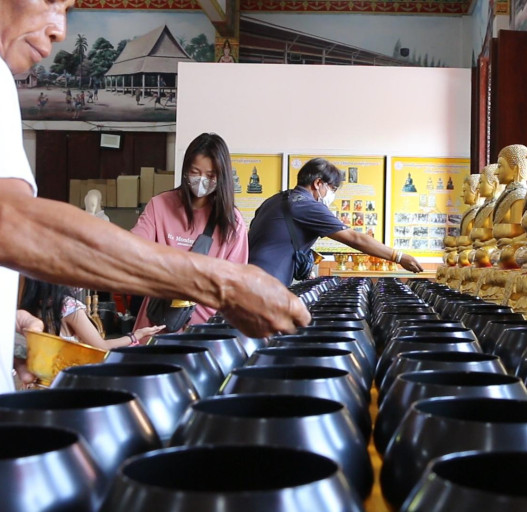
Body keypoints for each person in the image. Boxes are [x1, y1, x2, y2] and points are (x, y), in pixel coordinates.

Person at [0, 0, 309, 394]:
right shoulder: (163, 205)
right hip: (158, 334)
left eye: (67, 8)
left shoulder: (231, 222)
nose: (59, 29)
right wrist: (222, 283)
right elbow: (13, 223)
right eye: (50, 1)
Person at [131, 132, 249, 340]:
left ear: (222, 177)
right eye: (195, 172)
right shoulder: (159, 206)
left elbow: (235, 285)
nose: (202, 180)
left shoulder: (232, 222)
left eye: (211, 175)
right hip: (155, 326)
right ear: (186, 170)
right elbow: (132, 250)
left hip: (204, 332)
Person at [248, 158, 423, 286]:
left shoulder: (275, 200)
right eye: (332, 189)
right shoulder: (306, 205)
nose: (332, 195)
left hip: (249, 277)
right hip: (267, 284)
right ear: (318, 183)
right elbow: (355, 238)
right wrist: (398, 257)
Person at [18, 278, 164, 350]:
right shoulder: (68, 306)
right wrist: (137, 335)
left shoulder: (29, 308)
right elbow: (102, 346)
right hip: (67, 378)